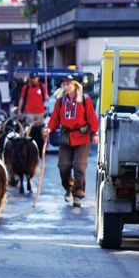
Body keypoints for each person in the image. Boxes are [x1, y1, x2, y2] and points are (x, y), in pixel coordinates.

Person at [43, 75, 99, 208]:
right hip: (66, 137)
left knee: (79, 167)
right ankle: (69, 187)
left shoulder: (85, 99)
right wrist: (49, 128)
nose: (66, 86)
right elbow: (55, 118)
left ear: (75, 85)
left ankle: (78, 194)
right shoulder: (61, 100)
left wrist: (95, 133)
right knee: (63, 167)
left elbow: (92, 117)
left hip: (81, 137)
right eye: (64, 84)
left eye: (69, 84)